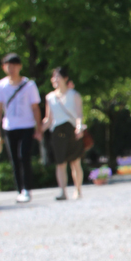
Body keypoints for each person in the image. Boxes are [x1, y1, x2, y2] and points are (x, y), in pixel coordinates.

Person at [0, 53, 42, 203]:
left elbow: (35, 108)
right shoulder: (0, 86)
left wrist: (38, 129)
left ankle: (27, 188)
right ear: (3, 67)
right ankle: (20, 189)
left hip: (27, 126)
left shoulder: (29, 85)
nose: (11, 68)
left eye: (14, 65)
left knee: (23, 156)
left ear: (19, 67)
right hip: (9, 127)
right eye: (8, 66)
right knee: (14, 159)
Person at [42, 67, 86, 200]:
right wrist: (38, 130)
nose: (54, 79)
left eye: (57, 76)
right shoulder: (50, 97)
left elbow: (79, 114)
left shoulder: (74, 95)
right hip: (57, 132)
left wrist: (79, 127)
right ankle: (62, 191)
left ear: (65, 78)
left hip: (72, 130)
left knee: (75, 162)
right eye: (53, 77)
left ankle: (78, 189)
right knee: (60, 163)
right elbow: (49, 119)